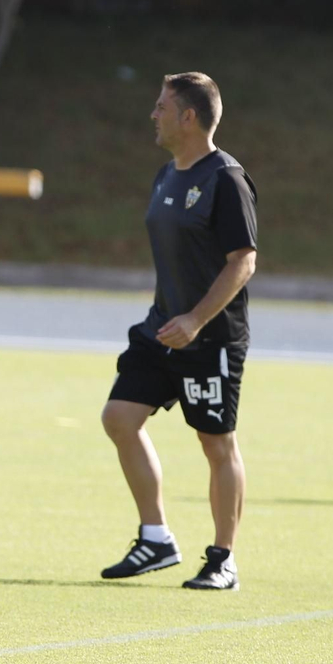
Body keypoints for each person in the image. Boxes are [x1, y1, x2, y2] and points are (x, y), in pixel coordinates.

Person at [99, 72, 257, 591]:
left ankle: (222, 559)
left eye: (162, 107)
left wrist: (196, 320)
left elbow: (243, 262)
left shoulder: (226, 179)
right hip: (160, 328)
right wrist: (173, 318)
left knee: (216, 445)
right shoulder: (166, 174)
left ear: (189, 117)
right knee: (120, 417)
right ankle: (156, 538)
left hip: (209, 337)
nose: (154, 115)